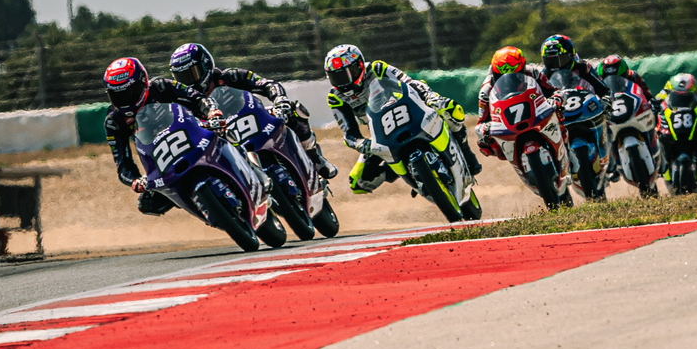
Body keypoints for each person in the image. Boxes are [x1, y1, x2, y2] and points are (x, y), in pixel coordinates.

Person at [324, 44, 482, 194]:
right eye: (336, 77)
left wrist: (431, 98)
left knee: (450, 109)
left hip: (409, 111)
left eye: (347, 73)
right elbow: (349, 133)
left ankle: (466, 153)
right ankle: (405, 171)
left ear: (359, 65)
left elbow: (410, 83)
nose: (343, 82)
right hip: (381, 130)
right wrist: (362, 144)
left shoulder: (378, 68)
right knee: (358, 182)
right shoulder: (335, 98)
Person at [169, 43, 337, 179]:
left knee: (294, 110)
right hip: (226, 138)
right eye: (182, 78)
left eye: (192, 74)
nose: (189, 82)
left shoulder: (230, 76)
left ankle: (314, 157)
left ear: (206, 65)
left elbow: (266, 84)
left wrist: (280, 100)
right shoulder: (183, 102)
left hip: (257, 120)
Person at [103, 57, 225, 216]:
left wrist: (211, 113)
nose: (125, 100)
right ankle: (203, 208)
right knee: (147, 203)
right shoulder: (114, 120)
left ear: (142, 82)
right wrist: (135, 181)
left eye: (129, 92)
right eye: (117, 96)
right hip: (162, 162)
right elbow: (123, 164)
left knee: (225, 131)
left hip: (194, 134)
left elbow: (197, 98)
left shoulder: (160, 86)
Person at [475, 46, 562, 157]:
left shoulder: (533, 72)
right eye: (501, 77)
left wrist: (556, 99)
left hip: (536, 114)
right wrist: (484, 129)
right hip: (507, 124)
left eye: (515, 76)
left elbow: (553, 91)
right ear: (494, 73)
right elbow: (481, 121)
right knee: (484, 143)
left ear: (522, 69)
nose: (509, 82)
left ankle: (566, 148)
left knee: (560, 112)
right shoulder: (486, 90)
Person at [538, 34, 608, 97]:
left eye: (560, 60)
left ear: (571, 55)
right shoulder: (543, 76)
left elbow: (604, 90)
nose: (554, 65)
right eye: (549, 61)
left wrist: (605, 98)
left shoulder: (583, 68)